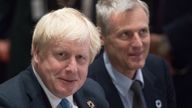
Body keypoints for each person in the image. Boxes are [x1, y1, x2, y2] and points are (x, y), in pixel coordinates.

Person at [0, 7, 109, 108]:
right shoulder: (7, 102)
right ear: (37, 53)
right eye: (62, 55)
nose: (72, 68)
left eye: (80, 57)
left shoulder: (93, 92)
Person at [88, 0, 176, 108]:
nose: (138, 44)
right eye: (125, 34)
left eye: (143, 31)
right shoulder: (86, 85)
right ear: (101, 37)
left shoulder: (159, 68)